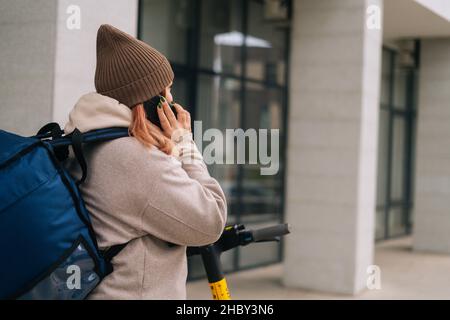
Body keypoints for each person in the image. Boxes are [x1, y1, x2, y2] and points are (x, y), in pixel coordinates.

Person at [64, 24, 227, 299]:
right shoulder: (138, 161)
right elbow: (211, 221)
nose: (173, 100)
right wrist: (186, 146)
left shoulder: (87, 143)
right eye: (168, 90)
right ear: (152, 102)